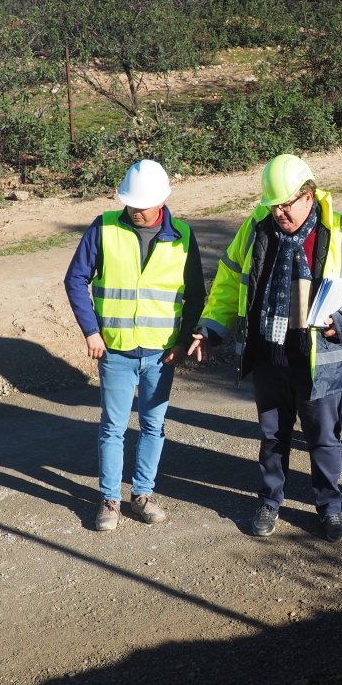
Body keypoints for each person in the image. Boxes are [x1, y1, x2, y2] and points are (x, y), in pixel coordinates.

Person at [188, 154, 342, 542]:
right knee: (272, 436)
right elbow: (229, 279)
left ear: (308, 195)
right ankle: (270, 500)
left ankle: (330, 508)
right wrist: (211, 327)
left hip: (321, 356)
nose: (279, 213)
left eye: (286, 204)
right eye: (273, 206)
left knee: (324, 438)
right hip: (270, 354)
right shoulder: (255, 229)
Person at [64, 159, 205, 531]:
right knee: (113, 427)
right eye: (130, 203)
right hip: (115, 349)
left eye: (142, 205)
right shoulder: (104, 227)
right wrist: (91, 331)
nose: (135, 210)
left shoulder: (183, 236)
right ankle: (109, 499)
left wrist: (183, 341)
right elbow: (75, 279)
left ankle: (142, 494)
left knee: (153, 426)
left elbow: (196, 294)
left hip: (161, 353)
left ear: (161, 200)